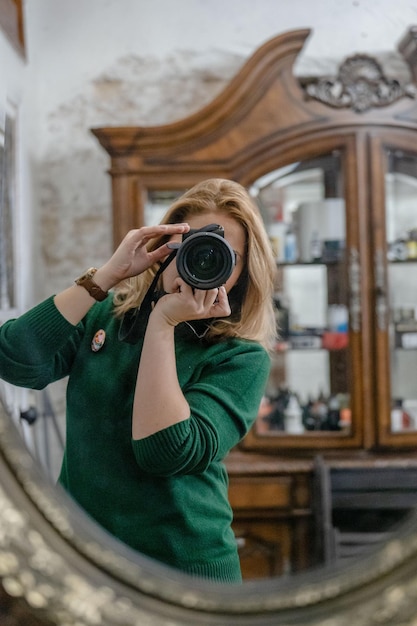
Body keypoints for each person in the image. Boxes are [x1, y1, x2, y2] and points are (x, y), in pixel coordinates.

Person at [0, 178, 277, 583]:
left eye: (224, 256)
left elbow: (165, 452)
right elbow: (15, 361)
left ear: (245, 272)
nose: (203, 260)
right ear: (166, 249)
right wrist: (106, 277)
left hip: (185, 571)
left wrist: (164, 322)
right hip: (86, 560)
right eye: (192, 247)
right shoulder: (106, 316)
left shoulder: (240, 357)